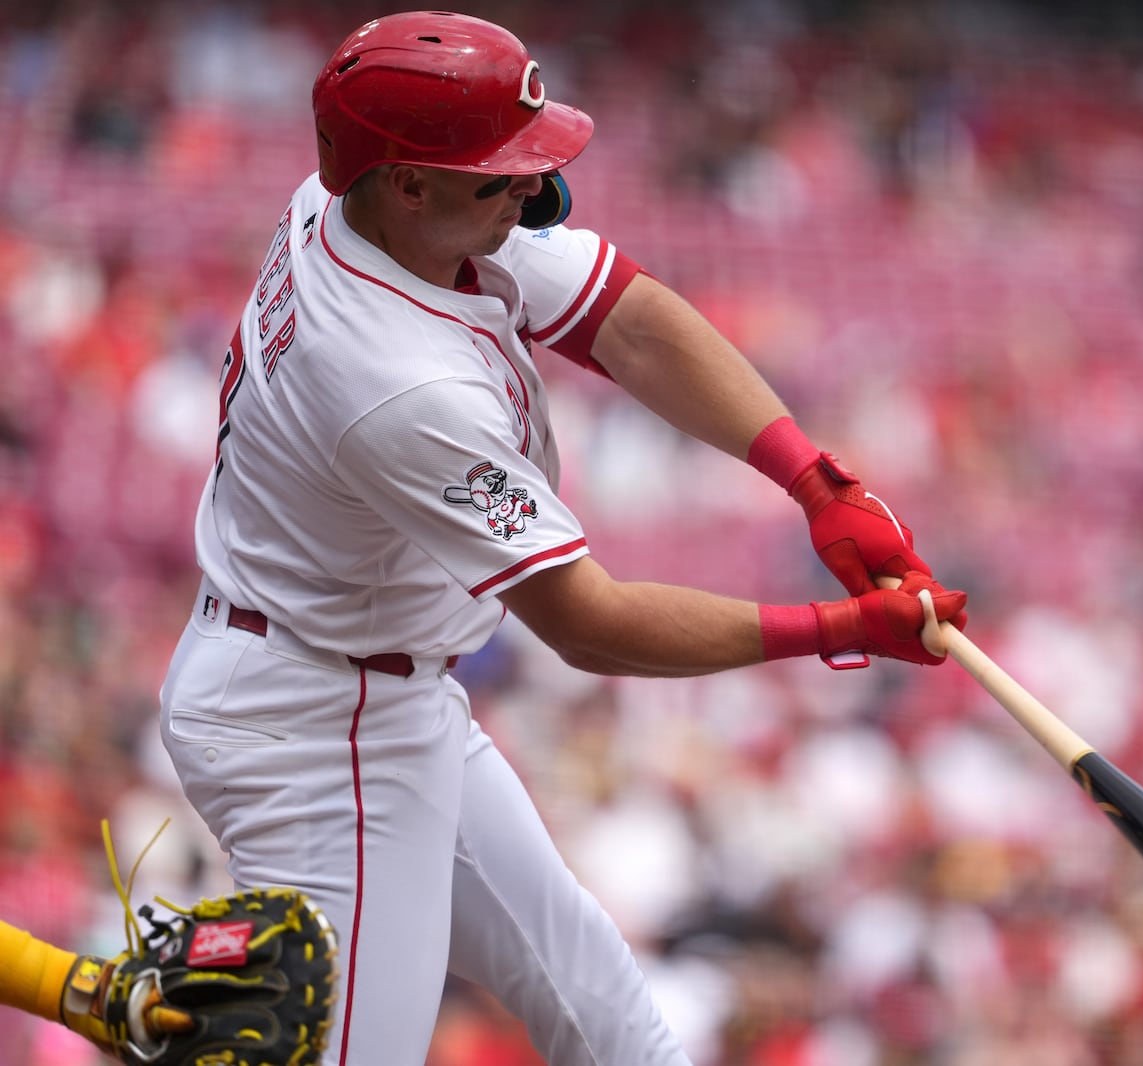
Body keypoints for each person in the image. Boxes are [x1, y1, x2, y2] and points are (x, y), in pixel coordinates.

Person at [156, 10, 967, 1066]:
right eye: (500, 176)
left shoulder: (354, 201)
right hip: (313, 728)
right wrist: (837, 628)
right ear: (409, 180)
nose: (533, 194)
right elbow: (590, 623)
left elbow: (625, 316)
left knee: (605, 1011)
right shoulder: (396, 382)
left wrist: (817, 483)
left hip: (369, 683)